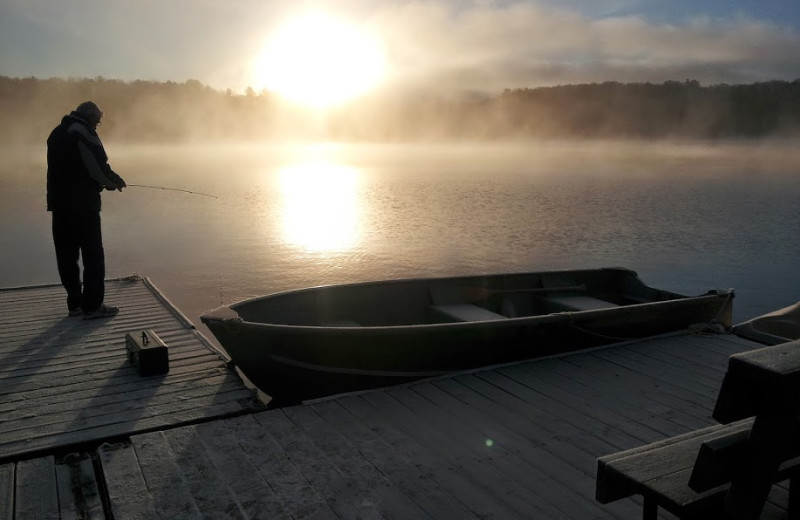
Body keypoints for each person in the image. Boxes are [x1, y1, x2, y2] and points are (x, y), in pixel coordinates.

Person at [46, 101, 127, 319]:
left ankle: (75, 304)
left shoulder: (57, 132)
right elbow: (97, 165)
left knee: (66, 256)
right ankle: (92, 306)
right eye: (97, 122)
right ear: (90, 117)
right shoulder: (84, 132)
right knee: (93, 255)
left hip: (59, 204)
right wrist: (112, 181)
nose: (97, 126)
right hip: (83, 205)